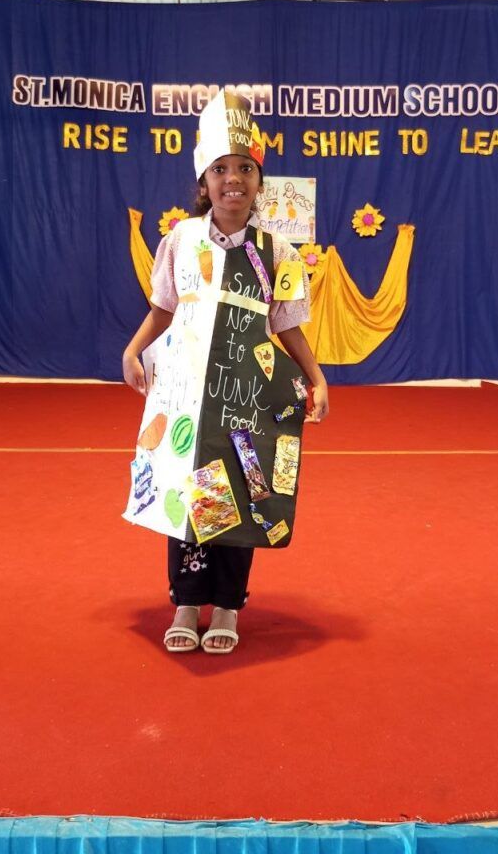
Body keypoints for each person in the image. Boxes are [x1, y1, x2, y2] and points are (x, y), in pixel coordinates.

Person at [122, 90, 329, 654]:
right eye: (220, 169)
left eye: (244, 169)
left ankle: (229, 606)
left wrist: (316, 377)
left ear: (259, 181)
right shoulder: (180, 240)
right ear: (204, 180)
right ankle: (187, 601)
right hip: (189, 400)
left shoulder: (279, 252)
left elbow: (287, 325)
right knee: (191, 490)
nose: (232, 179)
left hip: (248, 400)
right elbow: (164, 308)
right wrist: (133, 350)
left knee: (240, 496)